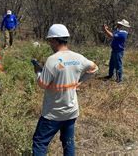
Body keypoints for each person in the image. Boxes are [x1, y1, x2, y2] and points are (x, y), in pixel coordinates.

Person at [32, 24, 98, 156]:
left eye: (50, 40)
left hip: (53, 113)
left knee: (40, 142)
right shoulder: (78, 57)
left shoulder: (52, 60)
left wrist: (38, 72)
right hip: (71, 111)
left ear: (55, 40)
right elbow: (94, 68)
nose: (50, 43)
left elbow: (43, 84)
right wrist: (80, 81)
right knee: (68, 143)